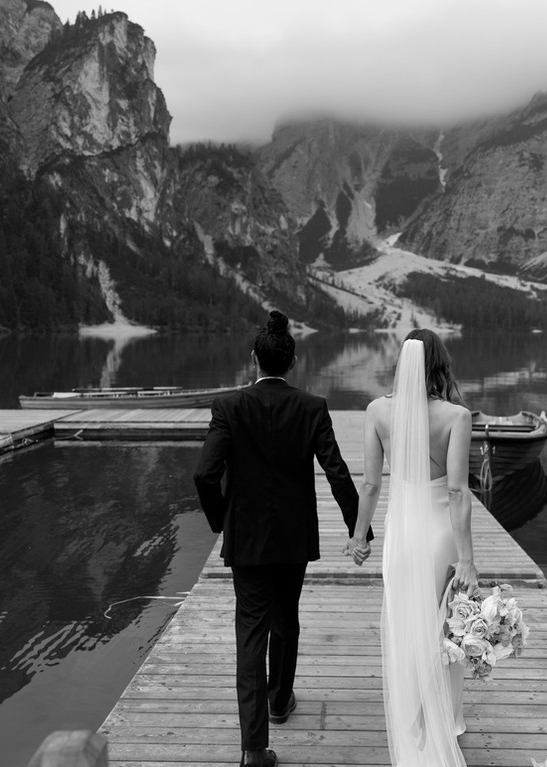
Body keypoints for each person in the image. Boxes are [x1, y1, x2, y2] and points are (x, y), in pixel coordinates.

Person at [193, 310, 371, 767]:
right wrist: (360, 529)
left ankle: (254, 749)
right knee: (286, 617)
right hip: (293, 537)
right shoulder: (312, 407)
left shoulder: (229, 406)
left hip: (247, 538)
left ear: (253, 359)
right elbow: (337, 471)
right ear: (292, 364)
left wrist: (221, 521)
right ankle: (279, 699)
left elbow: (204, 475)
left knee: (250, 633)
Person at [345, 328, 477, 767]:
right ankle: (443, 721)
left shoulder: (377, 411)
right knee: (444, 626)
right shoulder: (456, 417)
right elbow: (458, 493)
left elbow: (369, 483)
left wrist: (359, 536)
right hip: (440, 535)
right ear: (439, 363)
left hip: (401, 535)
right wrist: (468, 559)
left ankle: (412, 721)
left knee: (405, 623)